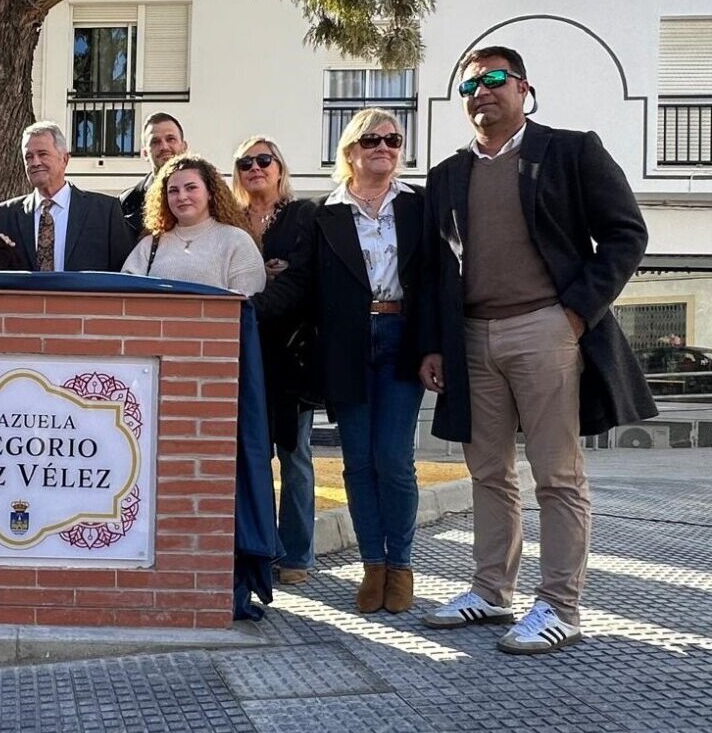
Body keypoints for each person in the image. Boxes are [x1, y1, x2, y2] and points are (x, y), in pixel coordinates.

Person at [419, 47, 655, 653]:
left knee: (557, 475)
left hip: (546, 329)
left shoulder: (571, 151)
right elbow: (436, 270)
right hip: (473, 337)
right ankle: (491, 591)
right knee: (487, 473)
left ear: (524, 88)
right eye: (470, 84)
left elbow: (627, 233)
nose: (481, 91)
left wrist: (575, 313)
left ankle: (560, 607)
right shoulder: (447, 174)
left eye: (495, 79)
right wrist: (436, 344)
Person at [253, 109, 427, 615]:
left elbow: (438, 279)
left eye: (393, 139)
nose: (384, 147)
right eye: (371, 139)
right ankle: (374, 565)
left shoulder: (419, 206)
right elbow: (300, 283)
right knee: (358, 463)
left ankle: (401, 566)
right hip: (346, 346)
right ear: (350, 151)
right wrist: (246, 307)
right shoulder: (323, 214)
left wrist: (437, 346)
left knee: (394, 459)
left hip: (401, 338)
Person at [230, 135, 318, 587]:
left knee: (295, 455)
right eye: (245, 162)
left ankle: (297, 553)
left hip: (291, 354)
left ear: (280, 167)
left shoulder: (303, 215)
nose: (255, 168)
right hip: (242, 354)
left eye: (264, 160)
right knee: (252, 455)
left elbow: (301, 279)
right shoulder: (229, 219)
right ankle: (259, 548)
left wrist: (248, 302)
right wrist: (264, 275)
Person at [0, 121, 133, 273]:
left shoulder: (105, 212)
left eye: (42, 154)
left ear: (65, 159)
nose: (35, 162)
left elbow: (124, 272)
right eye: (29, 157)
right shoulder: (5, 215)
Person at [121, 154, 265, 295]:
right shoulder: (150, 245)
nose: (182, 197)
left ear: (210, 192)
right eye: (173, 191)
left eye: (191, 188)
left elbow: (246, 301)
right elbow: (125, 296)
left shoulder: (237, 240)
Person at [119, 112, 187, 238]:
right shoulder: (126, 203)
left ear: (184, 147)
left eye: (170, 139)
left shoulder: (206, 196)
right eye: (155, 142)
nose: (164, 147)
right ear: (145, 153)